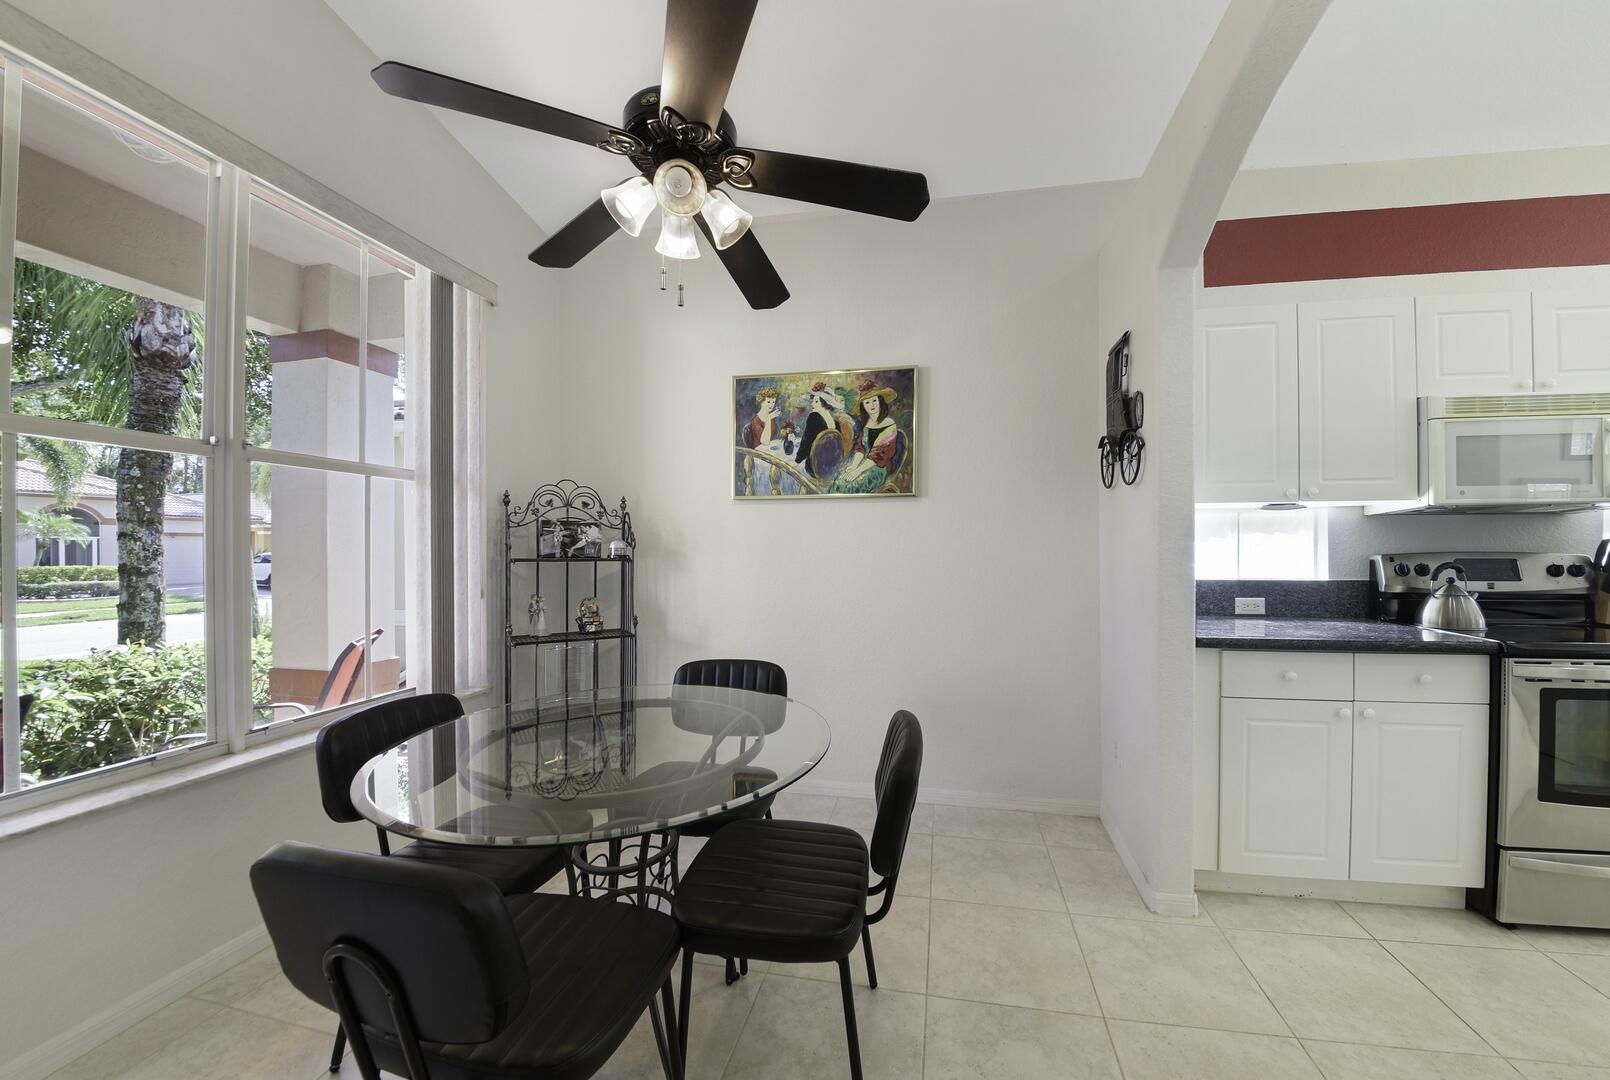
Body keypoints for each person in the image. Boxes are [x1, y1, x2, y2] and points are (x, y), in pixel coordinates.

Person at [829, 379, 902, 493]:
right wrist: (854, 466)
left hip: (879, 467)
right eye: (867, 402)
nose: (871, 405)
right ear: (863, 406)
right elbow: (860, 448)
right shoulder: (866, 424)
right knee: (839, 480)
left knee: (850, 486)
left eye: (874, 400)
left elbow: (879, 456)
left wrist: (857, 471)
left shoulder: (889, 425)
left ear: (880, 401)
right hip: (862, 463)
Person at [795, 380, 854, 480]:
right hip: (831, 468)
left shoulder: (814, 417)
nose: (813, 403)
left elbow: (807, 441)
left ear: (825, 403)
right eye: (813, 400)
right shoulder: (835, 422)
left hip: (814, 467)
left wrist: (797, 460)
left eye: (816, 401)